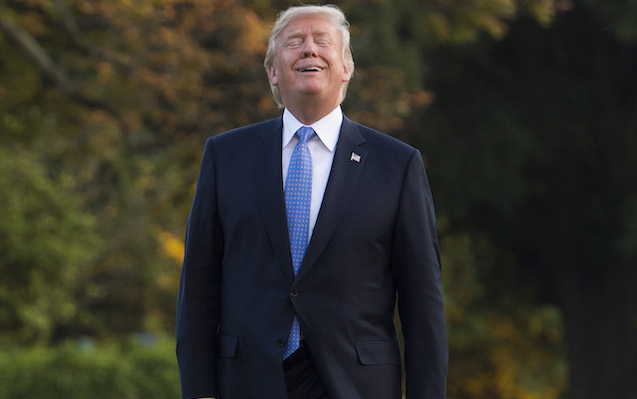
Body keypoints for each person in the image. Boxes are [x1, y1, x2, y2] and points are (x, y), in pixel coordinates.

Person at [176, 4, 448, 399]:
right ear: (272, 70)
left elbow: (423, 302)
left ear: (346, 68)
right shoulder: (225, 156)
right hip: (247, 381)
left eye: (323, 41)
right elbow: (198, 291)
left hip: (356, 385)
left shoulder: (397, 164)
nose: (309, 49)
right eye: (294, 42)